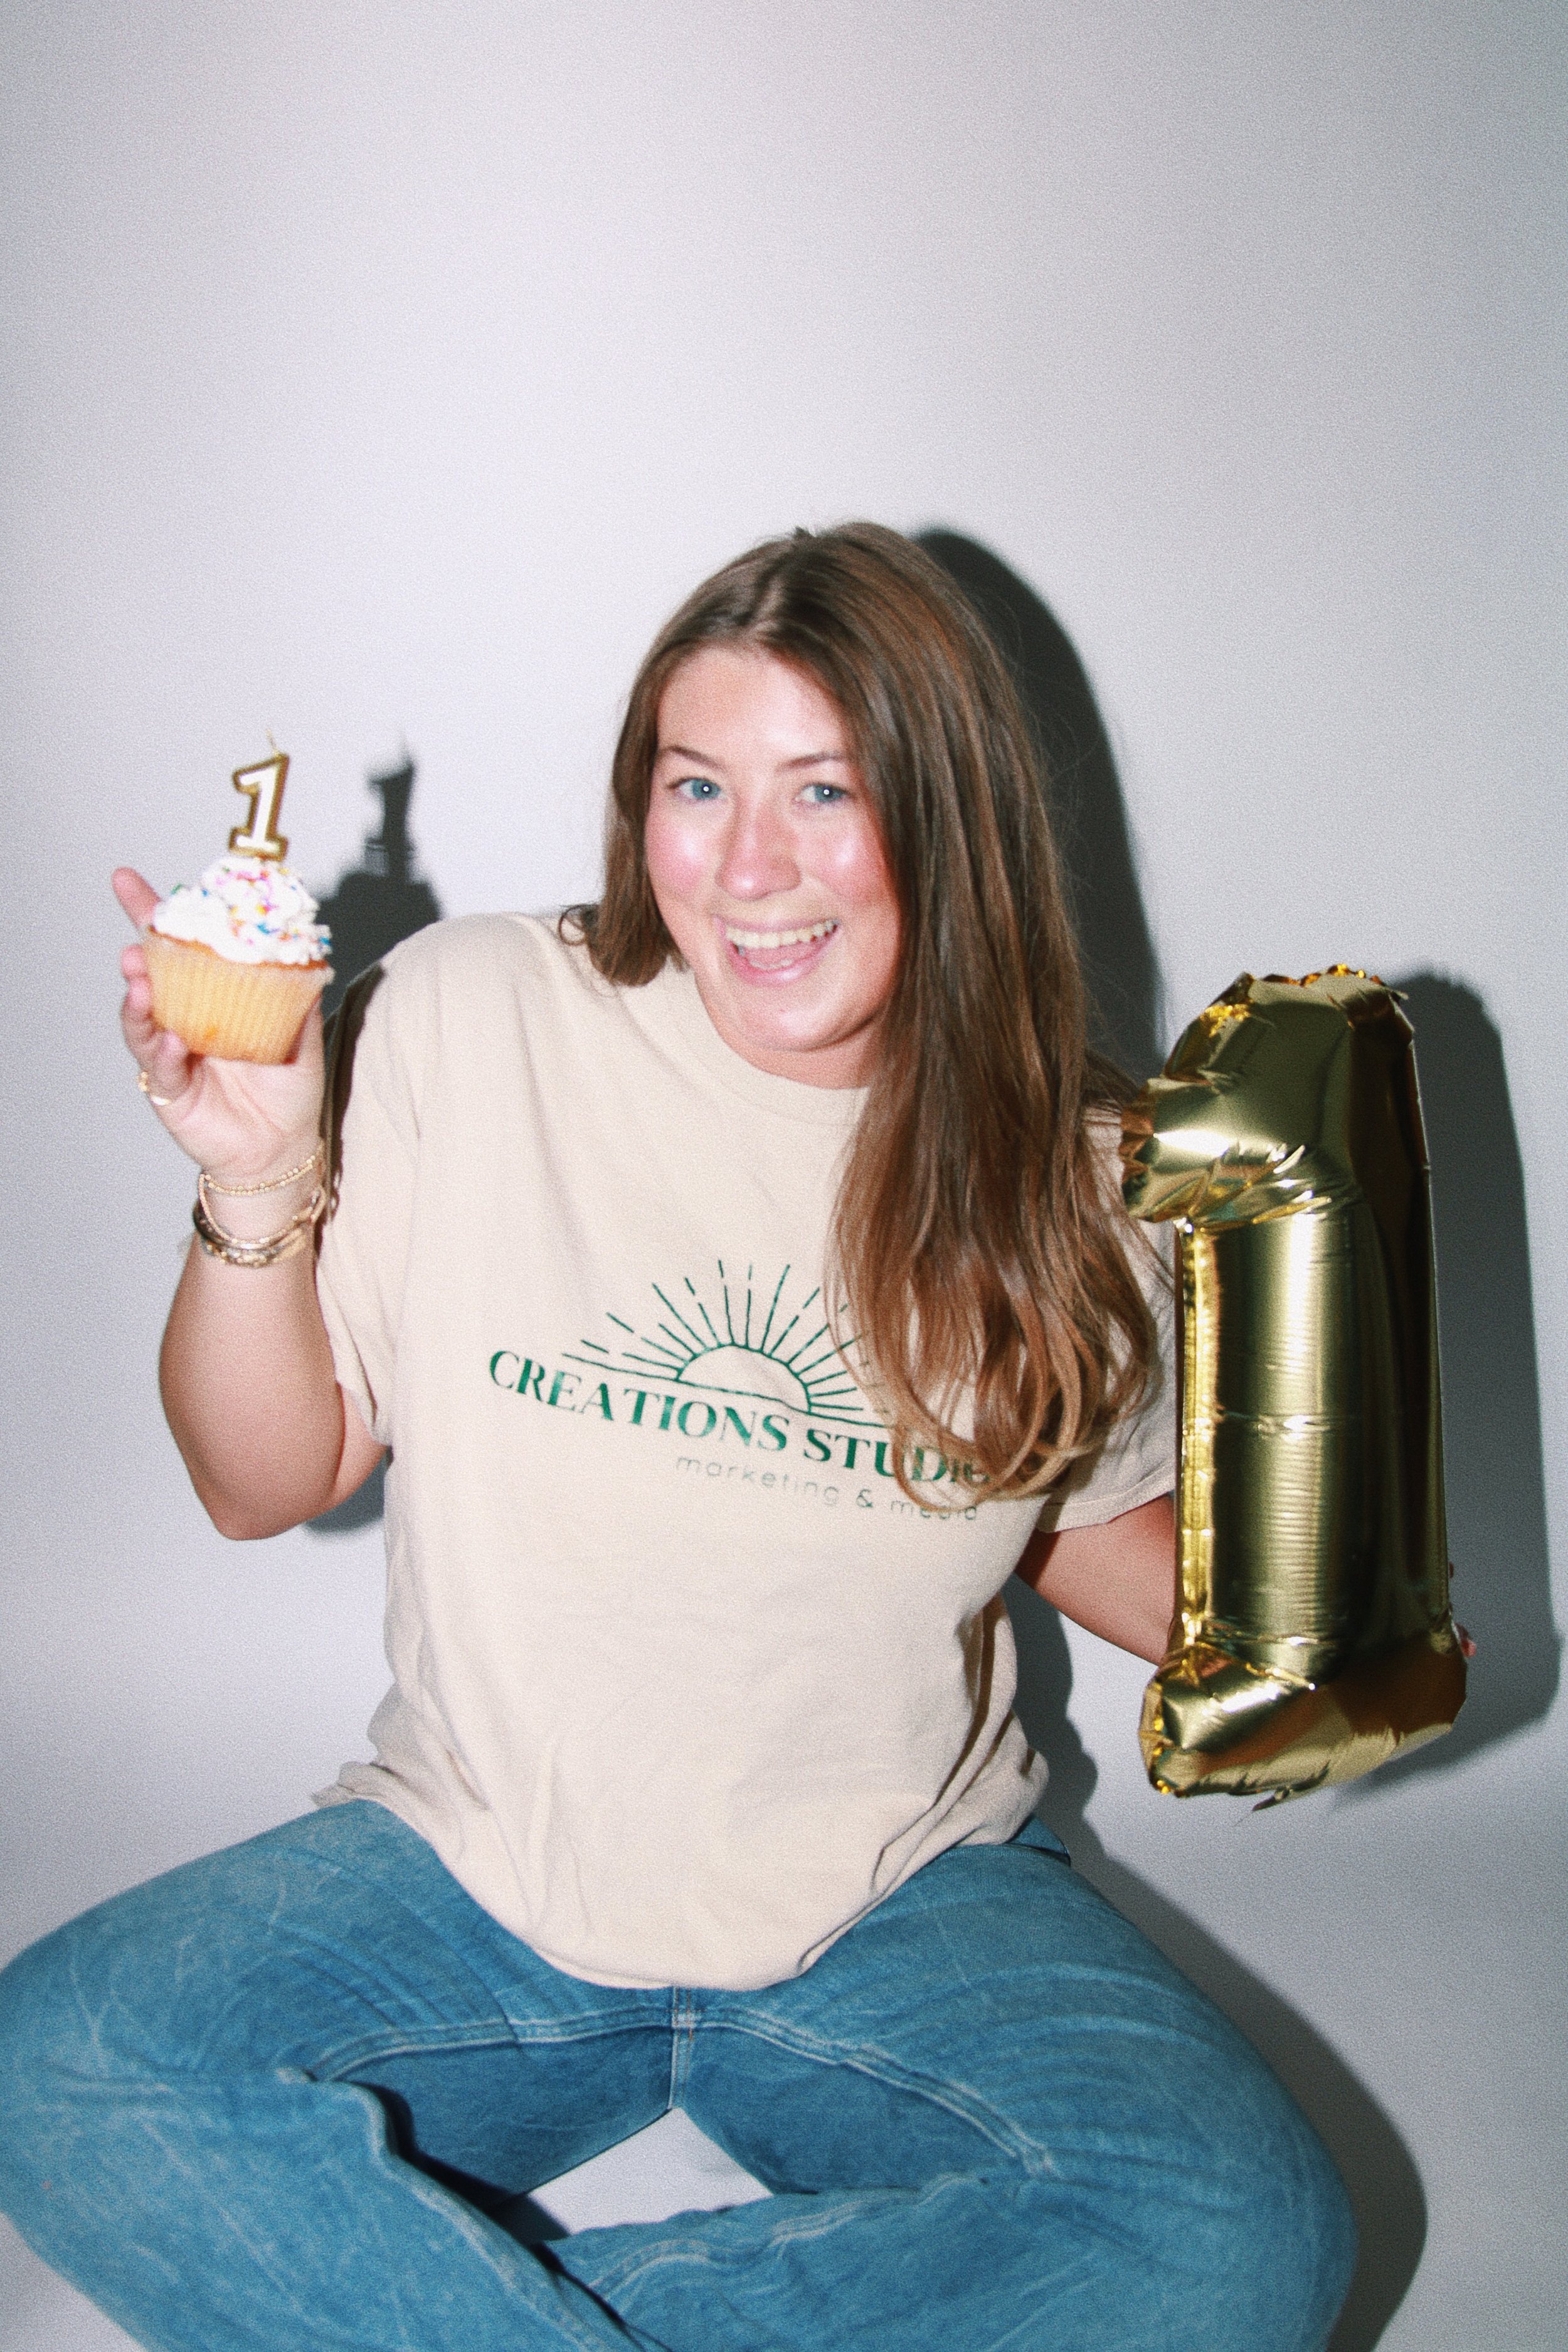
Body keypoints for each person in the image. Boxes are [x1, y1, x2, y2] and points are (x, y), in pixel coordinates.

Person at [0, 525, 1354, 2351]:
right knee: (59, 2072)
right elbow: (267, 1479)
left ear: (952, 823)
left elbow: (1057, 1520)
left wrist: (1316, 1640)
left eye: (827, 789)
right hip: (478, 1882)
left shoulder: (1083, 1172)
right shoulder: (479, 1019)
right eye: (695, 783)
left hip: (900, 1898)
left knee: (1238, 2244)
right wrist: (256, 1183)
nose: (748, 865)